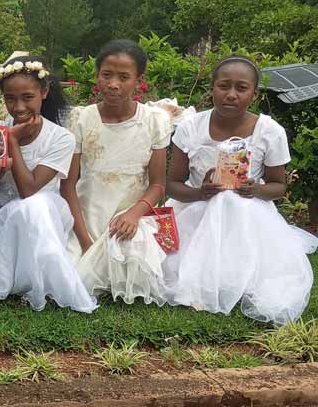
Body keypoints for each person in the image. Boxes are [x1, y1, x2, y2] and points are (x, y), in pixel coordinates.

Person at [163, 56, 318, 324]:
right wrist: (201, 192)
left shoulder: (270, 131)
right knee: (165, 265)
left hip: (246, 212)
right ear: (212, 88)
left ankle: (232, 274)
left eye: (241, 88)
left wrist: (255, 188)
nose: (231, 95)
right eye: (224, 86)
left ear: (254, 94)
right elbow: (173, 184)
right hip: (194, 208)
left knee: (232, 205)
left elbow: (278, 186)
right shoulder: (190, 127)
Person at [0, 56, 97, 313]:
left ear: (44, 93)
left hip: (43, 215)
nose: (19, 106)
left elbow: (29, 190)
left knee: (34, 206)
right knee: (23, 208)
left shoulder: (61, 139)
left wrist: (11, 141)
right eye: (10, 98)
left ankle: (43, 280)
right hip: (1, 215)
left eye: (27, 97)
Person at [61, 39, 171, 305]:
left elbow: (158, 184)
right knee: (71, 275)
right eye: (106, 75)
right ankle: (86, 249)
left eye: (124, 77)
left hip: (130, 217)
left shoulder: (154, 121)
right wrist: (85, 240)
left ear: (138, 80)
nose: (113, 84)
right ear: (97, 76)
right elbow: (68, 185)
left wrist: (134, 214)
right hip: (87, 216)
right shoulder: (81, 118)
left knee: (132, 253)